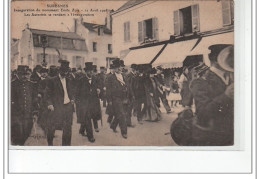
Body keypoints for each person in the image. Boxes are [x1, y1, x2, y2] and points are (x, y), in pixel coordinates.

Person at [190, 44, 234, 146]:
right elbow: (202, 113)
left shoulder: (232, 77)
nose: (232, 60)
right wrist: (225, 96)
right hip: (215, 136)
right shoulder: (200, 81)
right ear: (215, 59)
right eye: (229, 57)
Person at [45, 60, 75, 146]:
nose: (65, 73)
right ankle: (50, 144)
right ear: (59, 71)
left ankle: (66, 147)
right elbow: (47, 94)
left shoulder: (69, 80)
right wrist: (50, 104)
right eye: (63, 71)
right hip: (56, 107)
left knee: (67, 128)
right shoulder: (52, 80)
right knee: (52, 127)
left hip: (68, 107)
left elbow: (71, 92)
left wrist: (72, 99)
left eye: (66, 71)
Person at [11, 65, 38, 145]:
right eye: (22, 74)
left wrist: (35, 112)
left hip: (28, 114)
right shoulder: (11, 85)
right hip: (16, 115)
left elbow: (34, 99)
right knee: (17, 134)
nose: (25, 76)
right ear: (17, 74)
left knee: (26, 133)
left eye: (26, 74)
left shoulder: (32, 85)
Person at [76, 62, 100, 142]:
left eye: (92, 71)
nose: (91, 72)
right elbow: (77, 92)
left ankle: (81, 130)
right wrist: (78, 103)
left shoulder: (95, 79)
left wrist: (98, 90)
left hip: (93, 102)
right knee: (87, 118)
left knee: (88, 117)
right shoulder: (81, 80)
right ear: (86, 71)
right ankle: (91, 136)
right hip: (84, 103)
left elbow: (97, 87)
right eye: (89, 71)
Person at [106, 58, 128, 139]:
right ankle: (124, 132)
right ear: (114, 69)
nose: (119, 69)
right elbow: (108, 90)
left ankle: (113, 125)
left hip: (124, 98)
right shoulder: (110, 77)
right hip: (116, 98)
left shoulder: (124, 76)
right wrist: (109, 101)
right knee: (122, 115)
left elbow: (127, 86)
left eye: (120, 67)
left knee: (120, 114)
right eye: (117, 67)